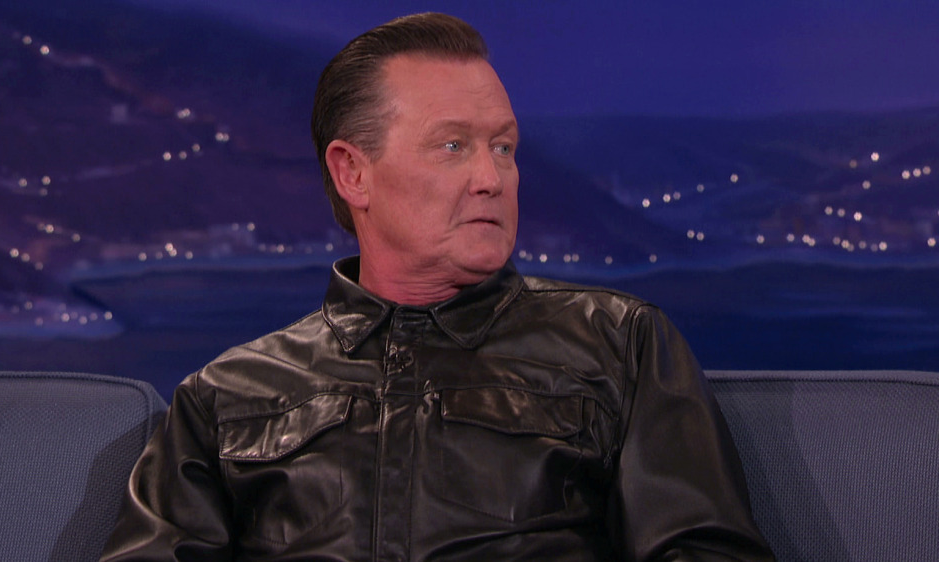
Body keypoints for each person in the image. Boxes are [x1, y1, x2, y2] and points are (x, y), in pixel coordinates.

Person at [101, 12, 774, 561]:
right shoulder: (224, 398)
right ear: (352, 173)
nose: (491, 178)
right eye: (453, 146)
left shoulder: (620, 344)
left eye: (503, 147)